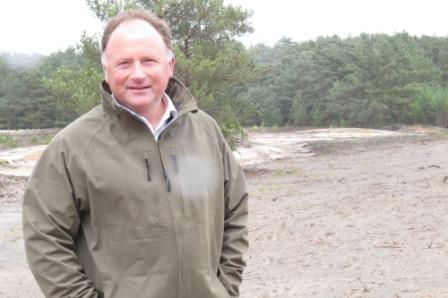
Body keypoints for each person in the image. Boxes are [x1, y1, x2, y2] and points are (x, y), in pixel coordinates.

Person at [23, 10, 248, 298]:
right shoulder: (73, 146)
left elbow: (235, 209)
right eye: (124, 63)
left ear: (170, 65)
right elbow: (44, 236)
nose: (138, 74)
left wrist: (225, 288)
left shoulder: (206, 131)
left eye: (149, 61)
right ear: (106, 70)